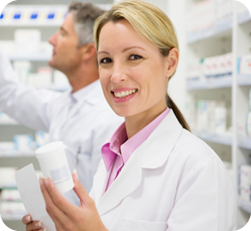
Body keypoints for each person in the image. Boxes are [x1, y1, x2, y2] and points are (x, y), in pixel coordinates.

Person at [22, 1, 235, 231]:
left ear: (170, 63)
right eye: (106, 60)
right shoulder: (112, 158)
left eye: (134, 57)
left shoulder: (200, 168)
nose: (116, 75)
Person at [0, 2, 122, 205]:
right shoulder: (63, 103)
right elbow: (10, 95)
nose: (51, 40)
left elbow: (105, 206)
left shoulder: (109, 117)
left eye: (63, 33)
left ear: (88, 51)